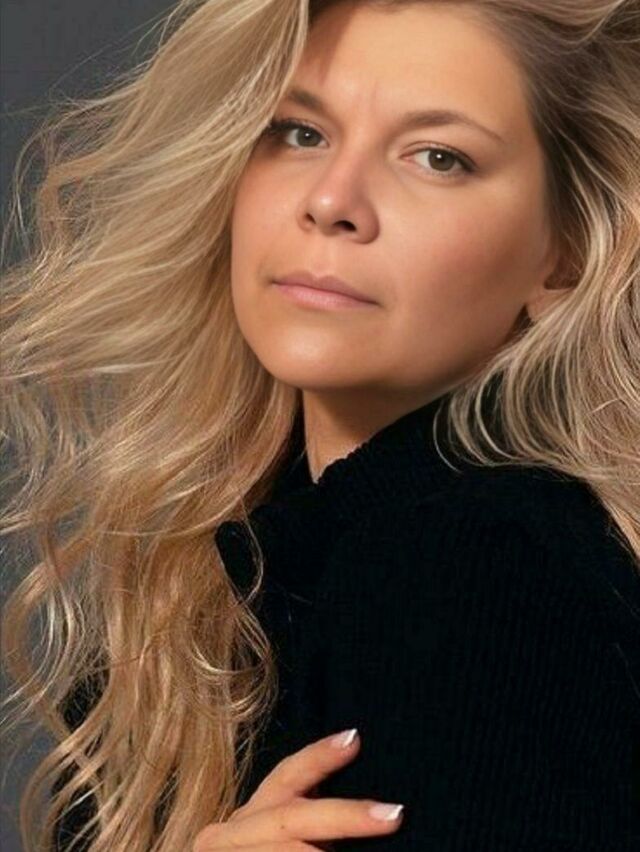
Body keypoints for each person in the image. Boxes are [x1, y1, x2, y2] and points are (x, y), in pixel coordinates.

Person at [1, 0, 639, 849]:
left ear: (567, 251)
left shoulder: (490, 569)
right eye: (301, 133)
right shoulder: (208, 586)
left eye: (438, 157)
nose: (332, 200)